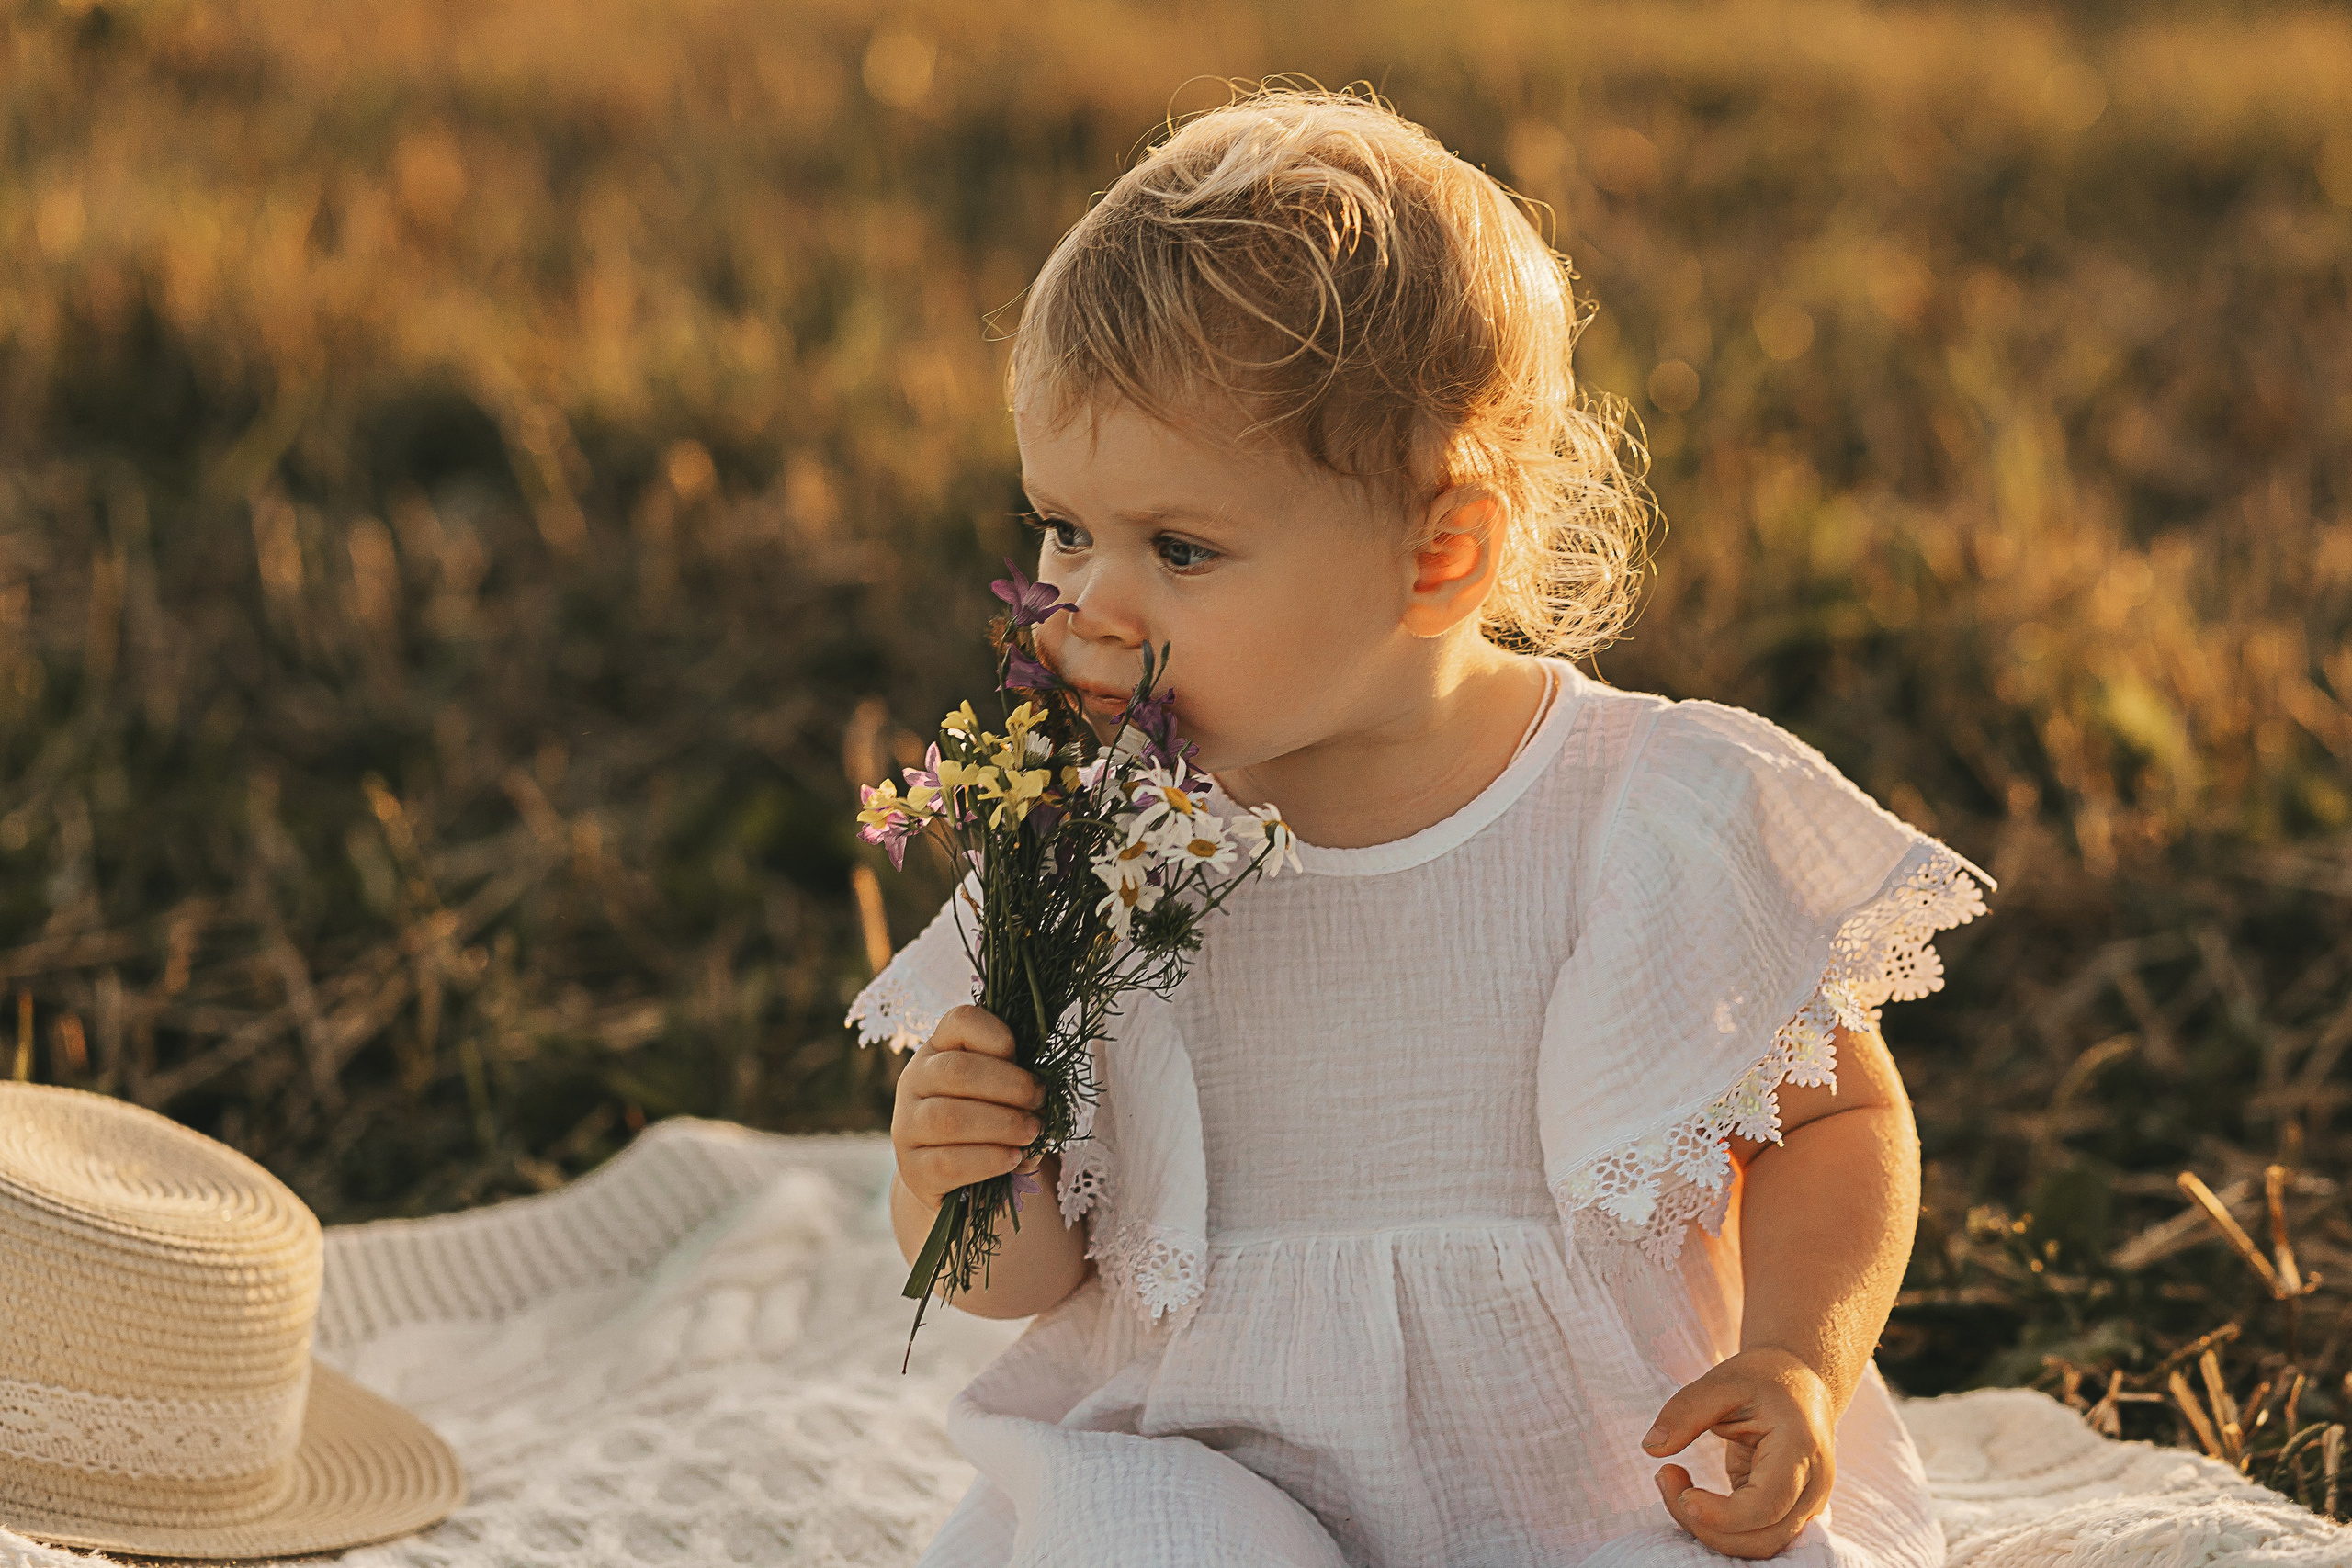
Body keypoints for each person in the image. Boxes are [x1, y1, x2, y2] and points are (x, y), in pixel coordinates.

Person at [850, 85, 1988, 1568]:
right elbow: (1034, 1281)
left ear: (1439, 552)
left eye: (1178, 546)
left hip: (1586, 1479)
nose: (1090, 603)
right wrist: (957, 1178)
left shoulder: (1638, 815)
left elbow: (1838, 1119)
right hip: (1208, 1463)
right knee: (1138, 1538)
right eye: (1065, 529)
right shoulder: (1094, 855)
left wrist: (1795, 1355)